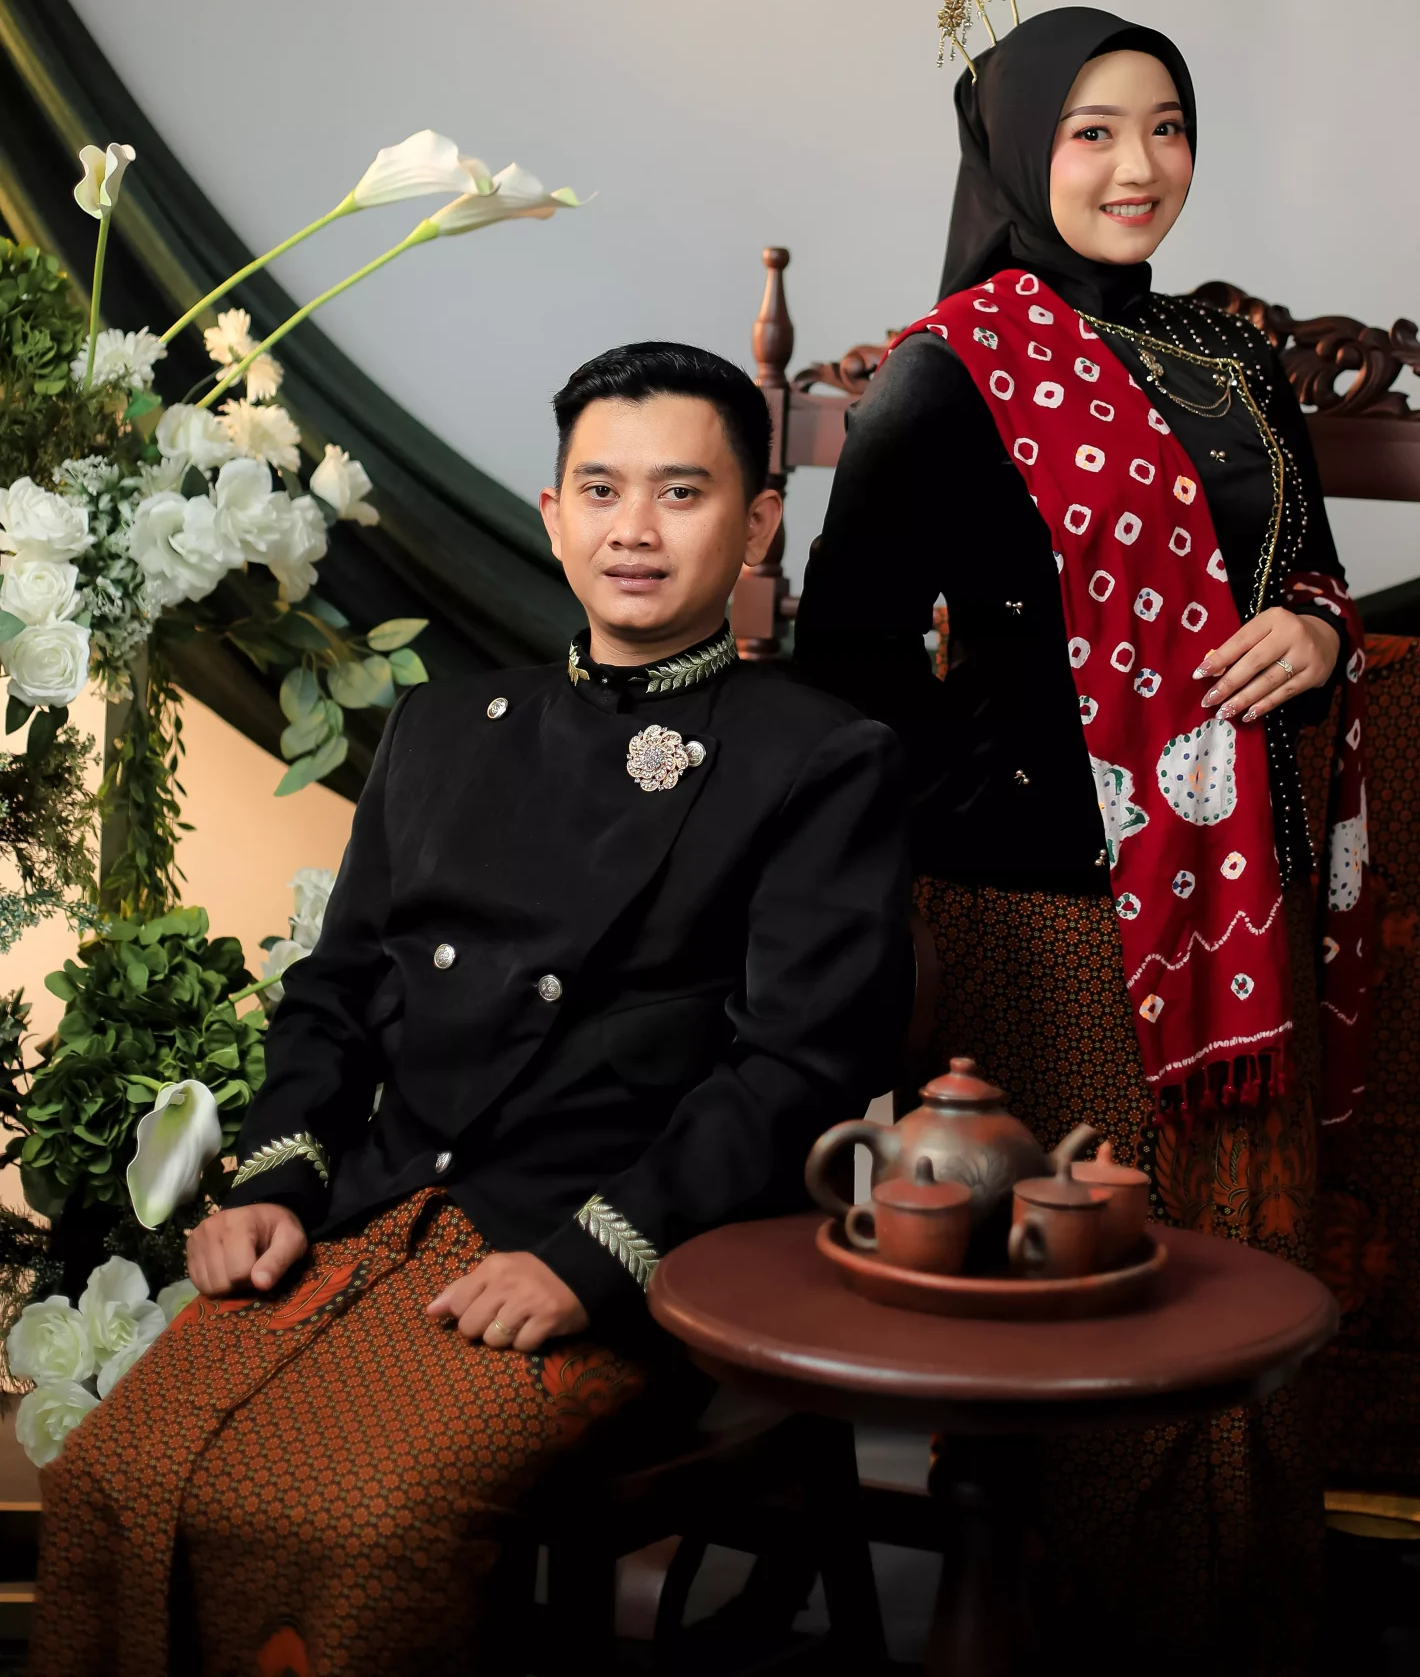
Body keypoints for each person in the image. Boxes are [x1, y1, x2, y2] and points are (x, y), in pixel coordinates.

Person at [32, 343, 911, 1677]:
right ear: (552, 515)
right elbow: (337, 991)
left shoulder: (822, 757)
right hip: (371, 1215)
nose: (633, 529)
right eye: (600, 490)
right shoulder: (442, 728)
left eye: (680, 493)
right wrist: (274, 1180)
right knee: (112, 1474)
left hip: (620, 1250)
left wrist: (590, 1261)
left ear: (757, 524)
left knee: (359, 1523)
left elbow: (800, 1068)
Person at [794, 5, 1358, 1671]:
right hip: (1048, 904)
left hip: (1243, 881)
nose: (1138, 166)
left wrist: (1315, 636)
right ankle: (1079, 1625)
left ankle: (1237, 1621)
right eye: (1092, 131)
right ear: (1016, 149)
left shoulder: (1231, 354)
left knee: (1240, 1268)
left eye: (1166, 126)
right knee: (1099, 1274)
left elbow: (1309, 571)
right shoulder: (948, 368)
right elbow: (847, 659)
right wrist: (1012, 786)